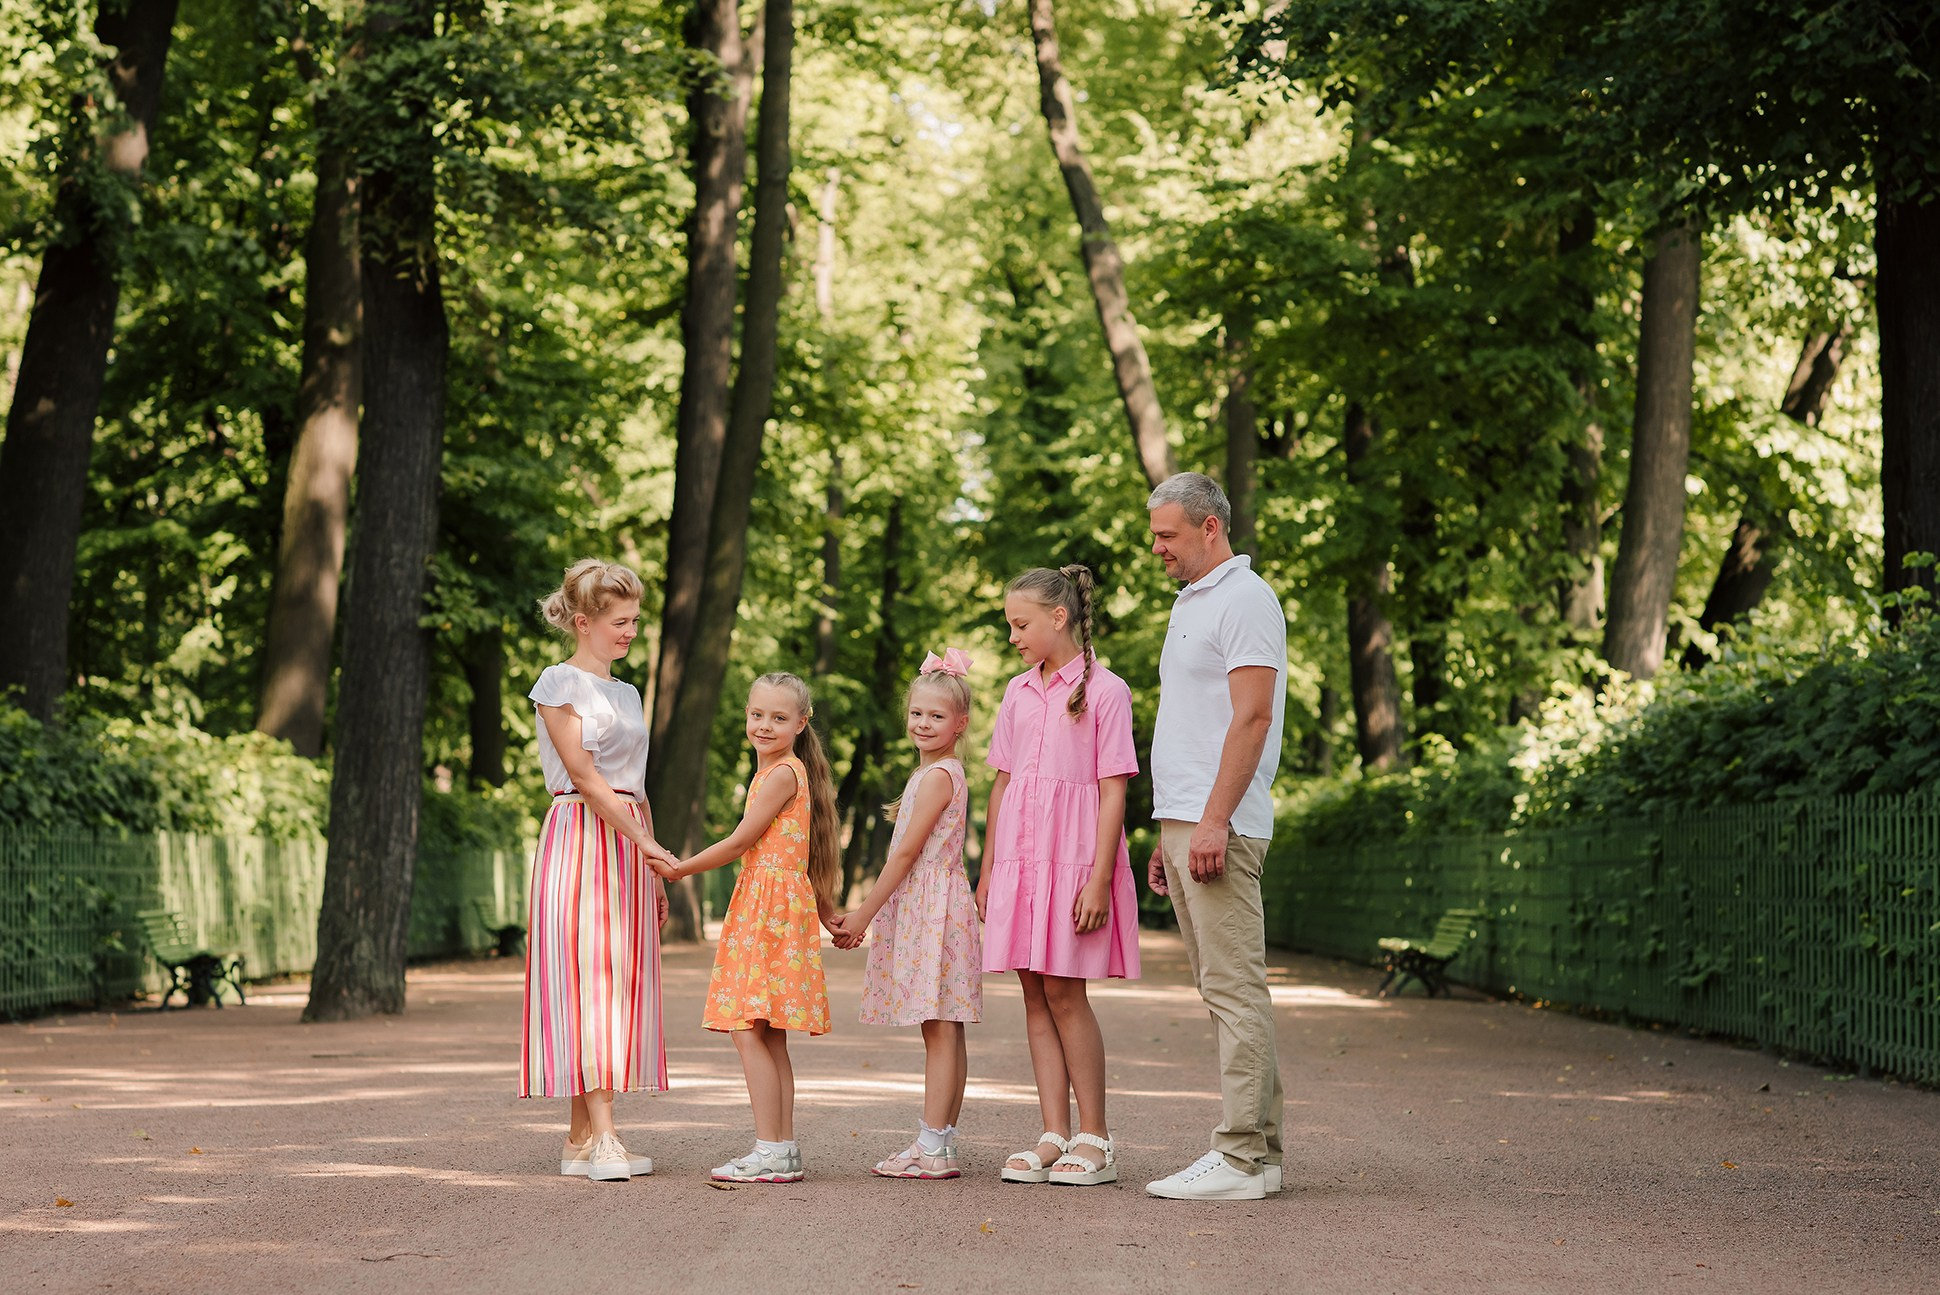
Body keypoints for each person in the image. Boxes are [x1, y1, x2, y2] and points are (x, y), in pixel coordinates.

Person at [1141, 473, 1289, 1202]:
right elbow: (1194, 723)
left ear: (1209, 527)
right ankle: (1260, 1156)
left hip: (1217, 824)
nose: (1158, 548)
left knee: (1234, 990)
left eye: (1168, 534)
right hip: (1189, 821)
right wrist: (1172, 826)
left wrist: (1212, 819)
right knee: (1224, 990)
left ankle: (1237, 1157)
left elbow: (1253, 717)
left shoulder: (1245, 599)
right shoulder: (1191, 602)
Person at [976, 565, 1141, 1187]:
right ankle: (1053, 1133)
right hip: (1020, 862)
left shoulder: (1107, 690)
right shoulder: (1017, 691)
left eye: (1020, 624)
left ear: (1058, 618)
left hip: (1074, 862)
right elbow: (1003, 782)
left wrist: (1099, 877)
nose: (1013, 635)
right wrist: (989, 870)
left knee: (1067, 992)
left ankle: (1095, 1138)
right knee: (1032, 989)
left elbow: (1113, 788)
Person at [520, 559, 679, 1184]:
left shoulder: (627, 693)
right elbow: (585, 778)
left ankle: (580, 1140)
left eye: (635, 620)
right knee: (589, 981)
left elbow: (634, 783)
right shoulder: (558, 683)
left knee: (615, 979)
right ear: (583, 622)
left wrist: (649, 851)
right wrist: (646, 843)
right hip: (581, 836)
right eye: (619, 621)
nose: (630, 631)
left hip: (626, 838)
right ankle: (607, 1136)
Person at [671, 671, 841, 1184]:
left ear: (801, 722)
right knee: (767, 1036)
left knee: (747, 1029)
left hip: (768, 911)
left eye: (779, 717)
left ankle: (770, 1147)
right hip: (769, 907)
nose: (764, 725)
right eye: (756, 714)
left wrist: (680, 868)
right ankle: (781, 1149)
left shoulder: (783, 774)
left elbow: (741, 841)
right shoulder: (779, 771)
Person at [831, 648, 984, 1180]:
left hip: (933, 909)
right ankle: (939, 1141)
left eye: (937, 716)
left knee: (940, 1028)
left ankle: (933, 1145)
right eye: (917, 713)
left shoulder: (941, 776)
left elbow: (905, 855)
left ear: (960, 724)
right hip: (932, 905)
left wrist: (863, 914)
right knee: (945, 1027)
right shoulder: (932, 774)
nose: (924, 722)